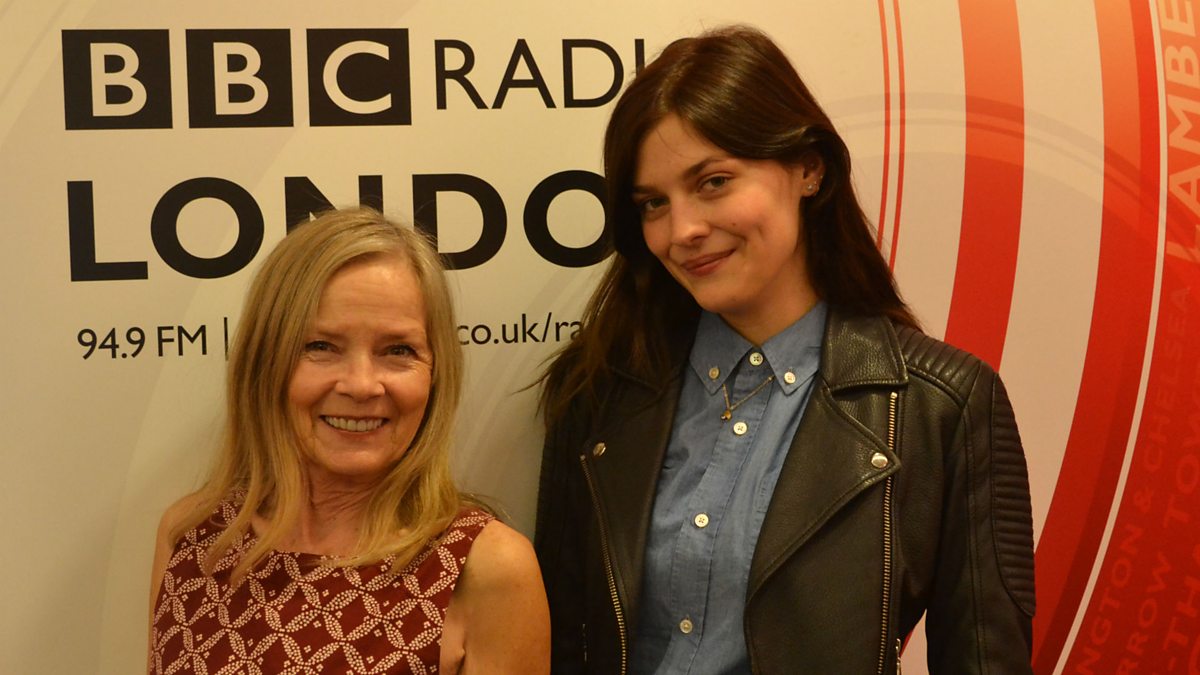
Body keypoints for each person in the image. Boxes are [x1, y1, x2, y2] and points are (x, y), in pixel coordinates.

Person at [535, 26, 1035, 674]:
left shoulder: (943, 404)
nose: (681, 229)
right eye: (653, 203)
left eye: (713, 182)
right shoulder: (599, 388)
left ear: (808, 168)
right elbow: (559, 644)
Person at [148, 207, 549, 675]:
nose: (361, 385)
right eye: (320, 346)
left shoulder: (486, 566)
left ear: (436, 374)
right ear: (263, 363)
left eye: (398, 350)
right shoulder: (192, 536)